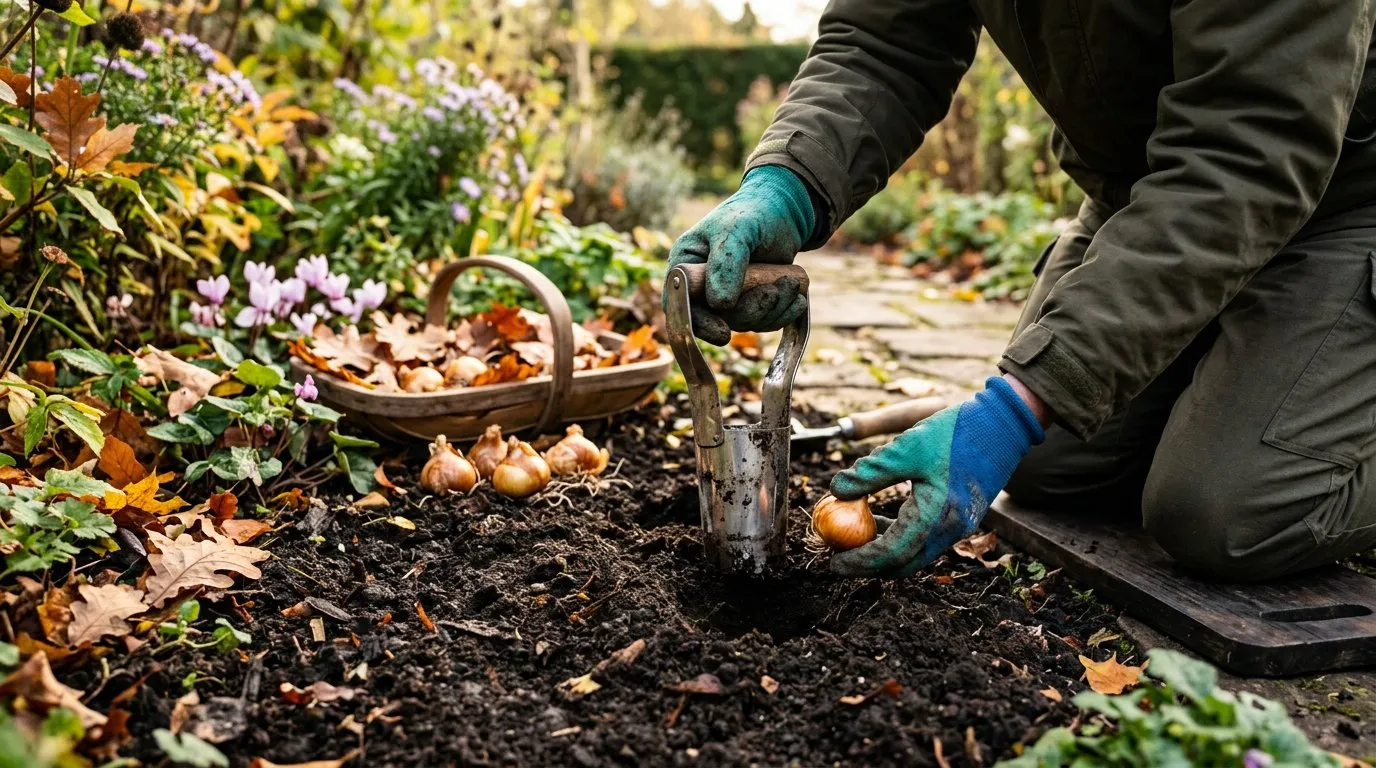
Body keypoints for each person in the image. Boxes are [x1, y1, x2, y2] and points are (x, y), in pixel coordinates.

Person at [669, 1, 1376, 582]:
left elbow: (1250, 149)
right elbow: (884, 42)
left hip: (1343, 194)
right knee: (1048, 461)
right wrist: (784, 186)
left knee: (1228, 514)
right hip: (1149, 193)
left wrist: (1016, 402)